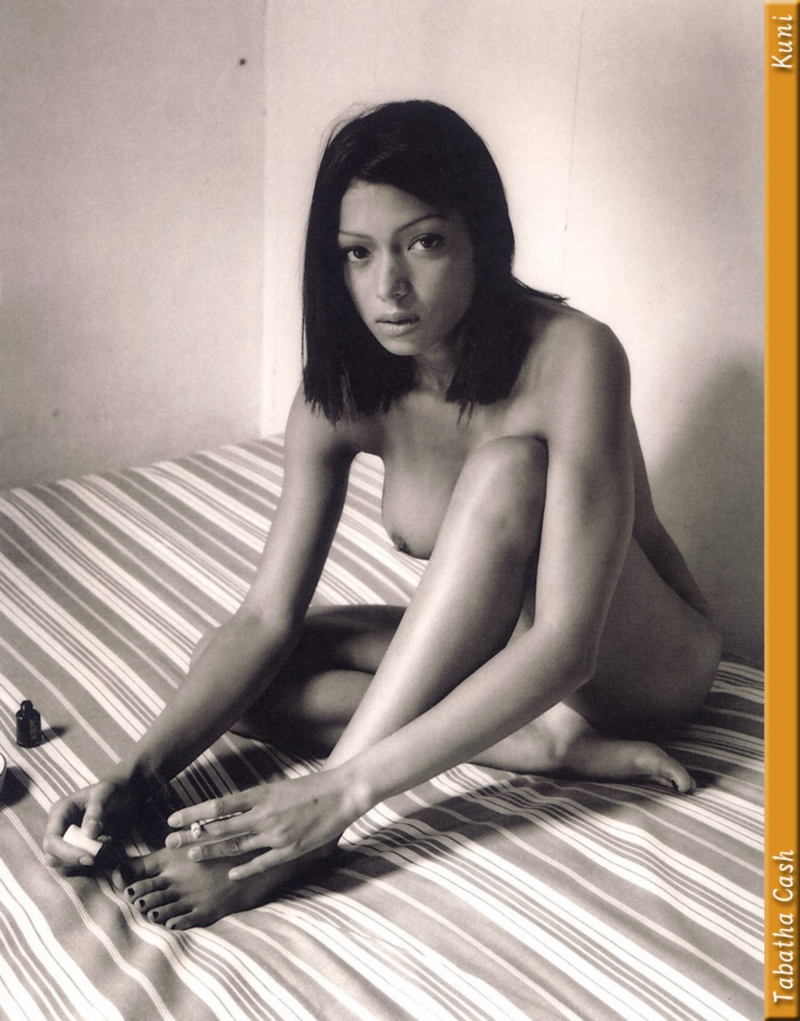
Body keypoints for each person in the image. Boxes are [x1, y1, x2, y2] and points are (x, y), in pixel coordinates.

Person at [43, 100, 722, 930]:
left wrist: (339, 794)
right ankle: (540, 743)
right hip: (513, 655)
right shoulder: (340, 395)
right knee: (239, 669)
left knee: (508, 470)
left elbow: (565, 644)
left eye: (424, 243)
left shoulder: (576, 355)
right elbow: (262, 617)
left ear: (482, 240)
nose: (388, 287)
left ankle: (313, 835)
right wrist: (136, 773)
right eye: (358, 253)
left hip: (636, 667)